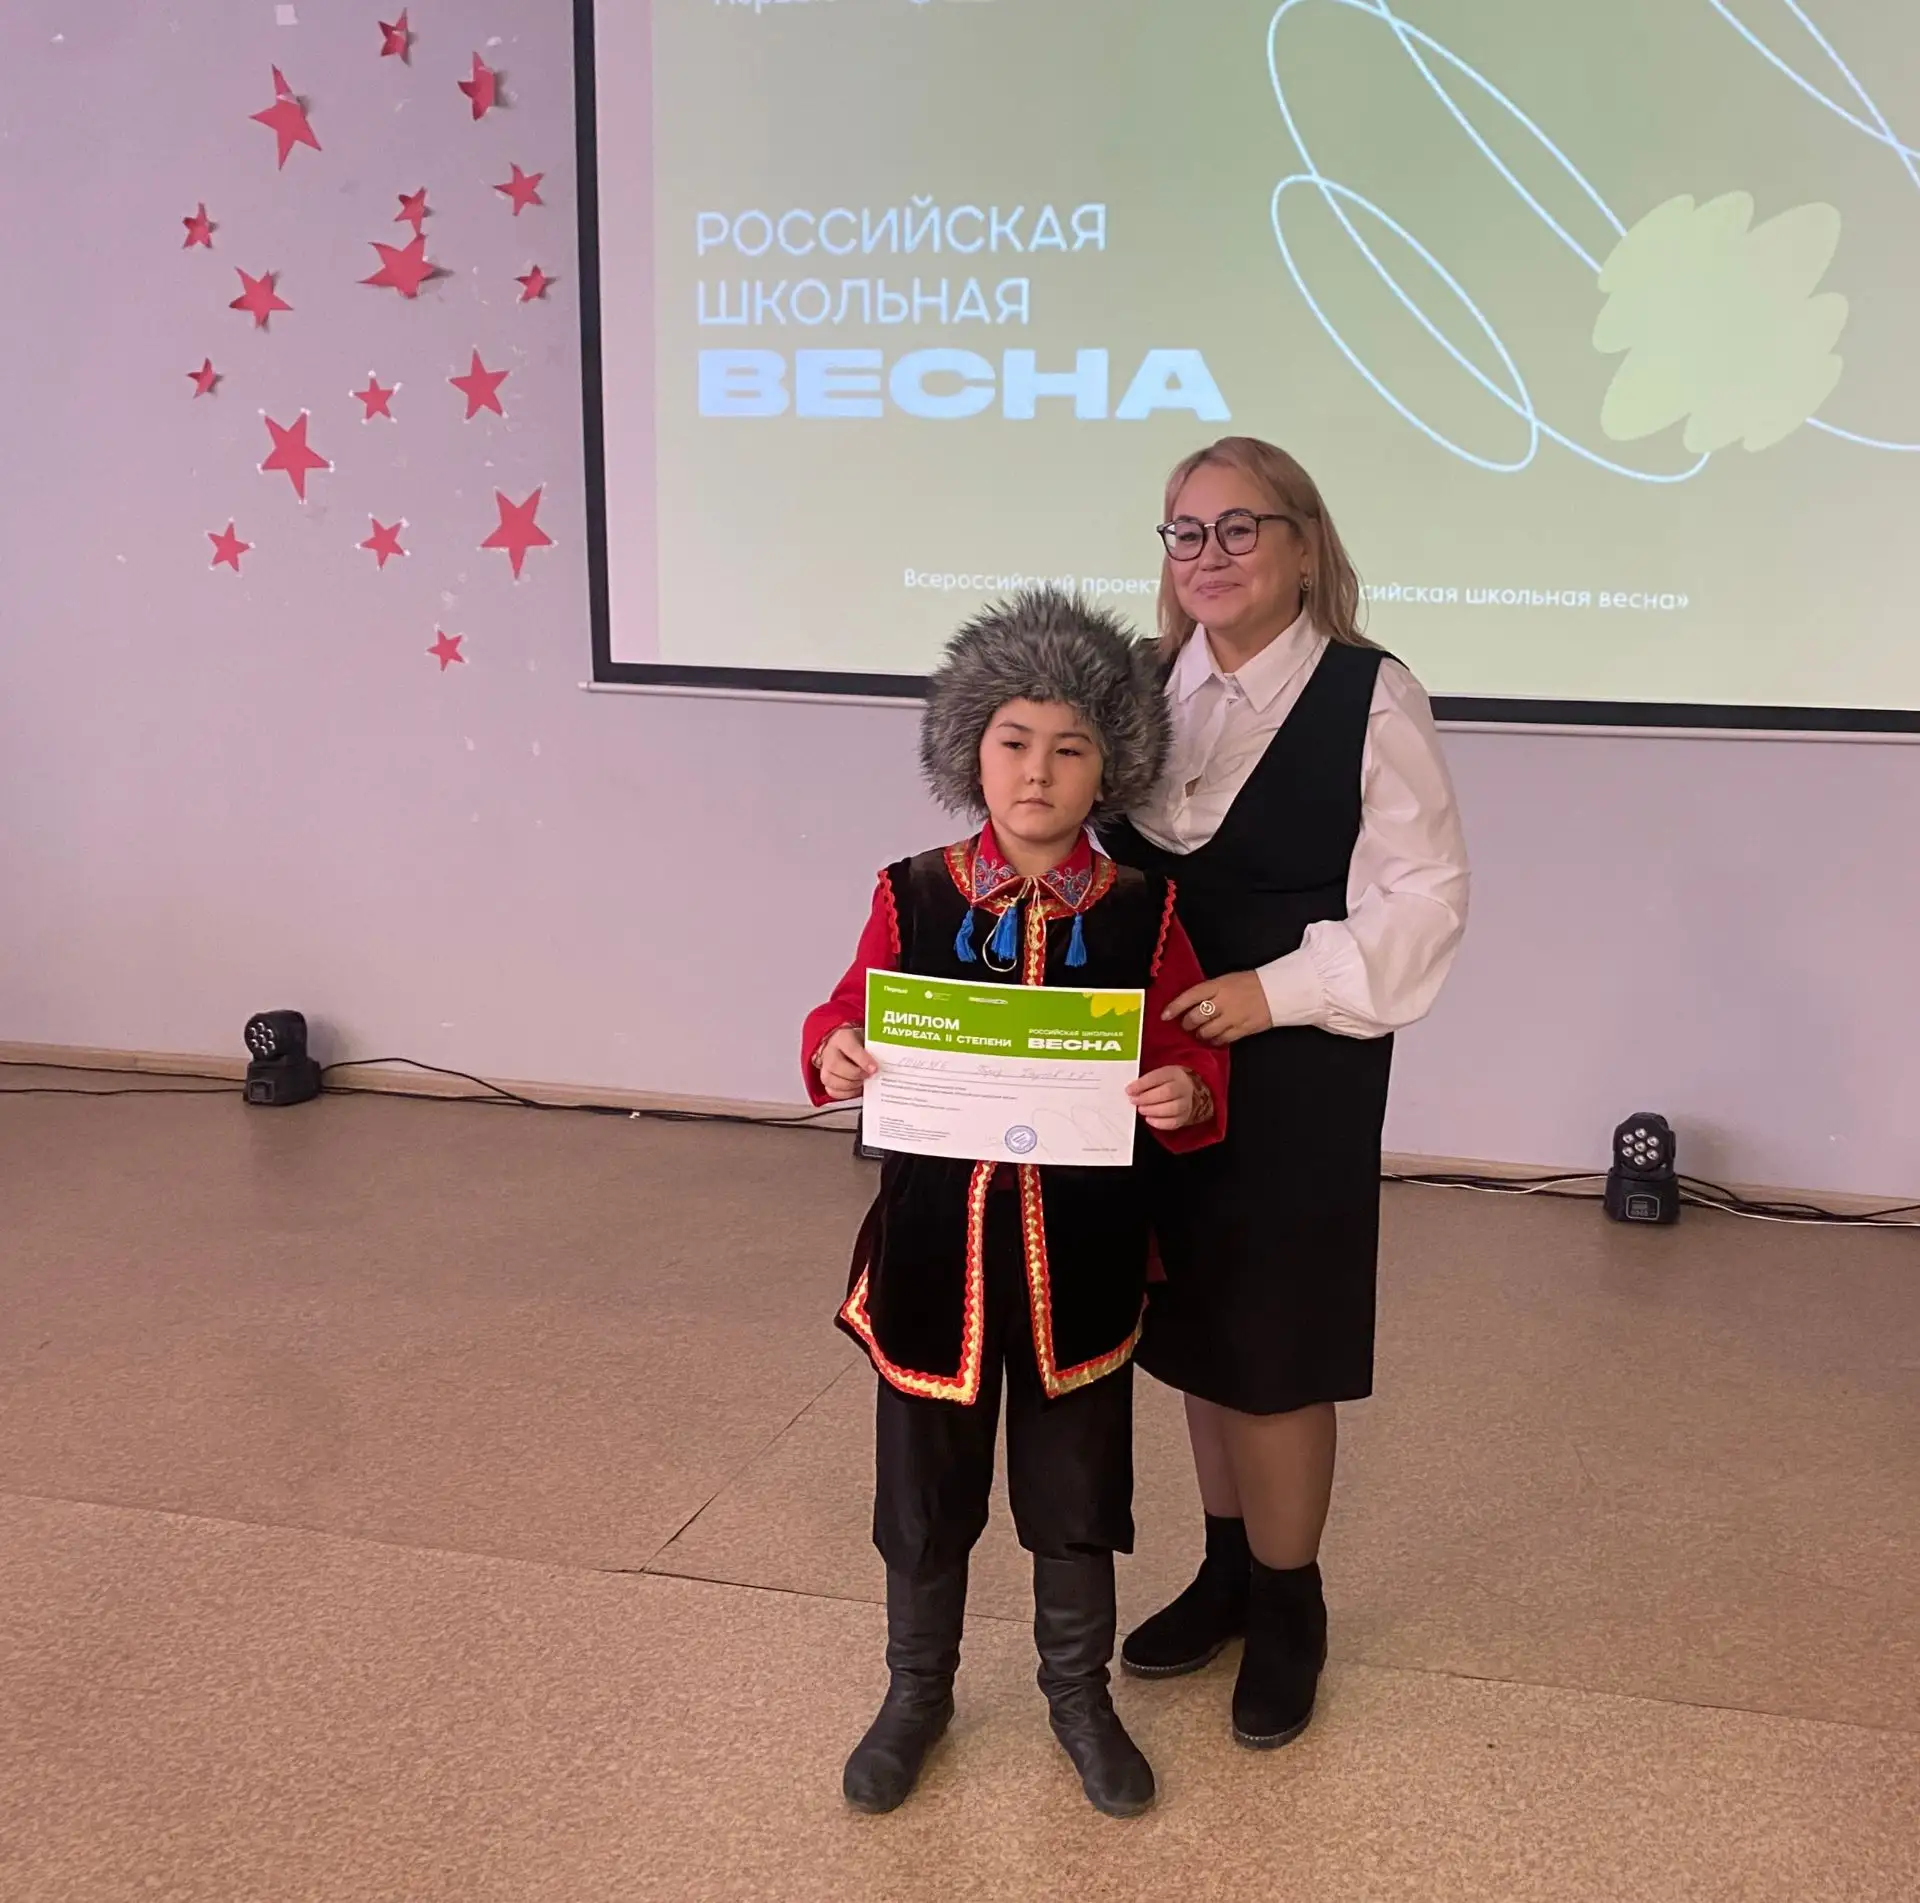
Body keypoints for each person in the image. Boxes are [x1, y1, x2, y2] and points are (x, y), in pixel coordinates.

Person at [802, 586, 1229, 1819]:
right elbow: (845, 1010)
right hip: (933, 1258)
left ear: (1112, 767)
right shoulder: (913, 893)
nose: (1038, 772)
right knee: (922, 1495)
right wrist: (836, 1050)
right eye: (1013, 741)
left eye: (1070, 747)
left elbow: (1193, 1058)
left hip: (1081, 1264)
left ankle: (1078, 1698)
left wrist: (1186, 1093)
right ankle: (915, 1694)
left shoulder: (1147, 913)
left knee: (1075, 1493)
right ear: (969, 750)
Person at [1100, 437, 1470, 1750]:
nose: (1209, 555)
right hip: (1161, 1067)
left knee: (1275, 1340)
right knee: (1196, 1323)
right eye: (1185, 532)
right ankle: (1226, 1568)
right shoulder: (1139, 690)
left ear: (1305, 546)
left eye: (1240, 527)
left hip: (1300, 1054)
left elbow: (1424, 902)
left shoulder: (1371, 696)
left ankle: (1290, 1600)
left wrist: (1274, 990)